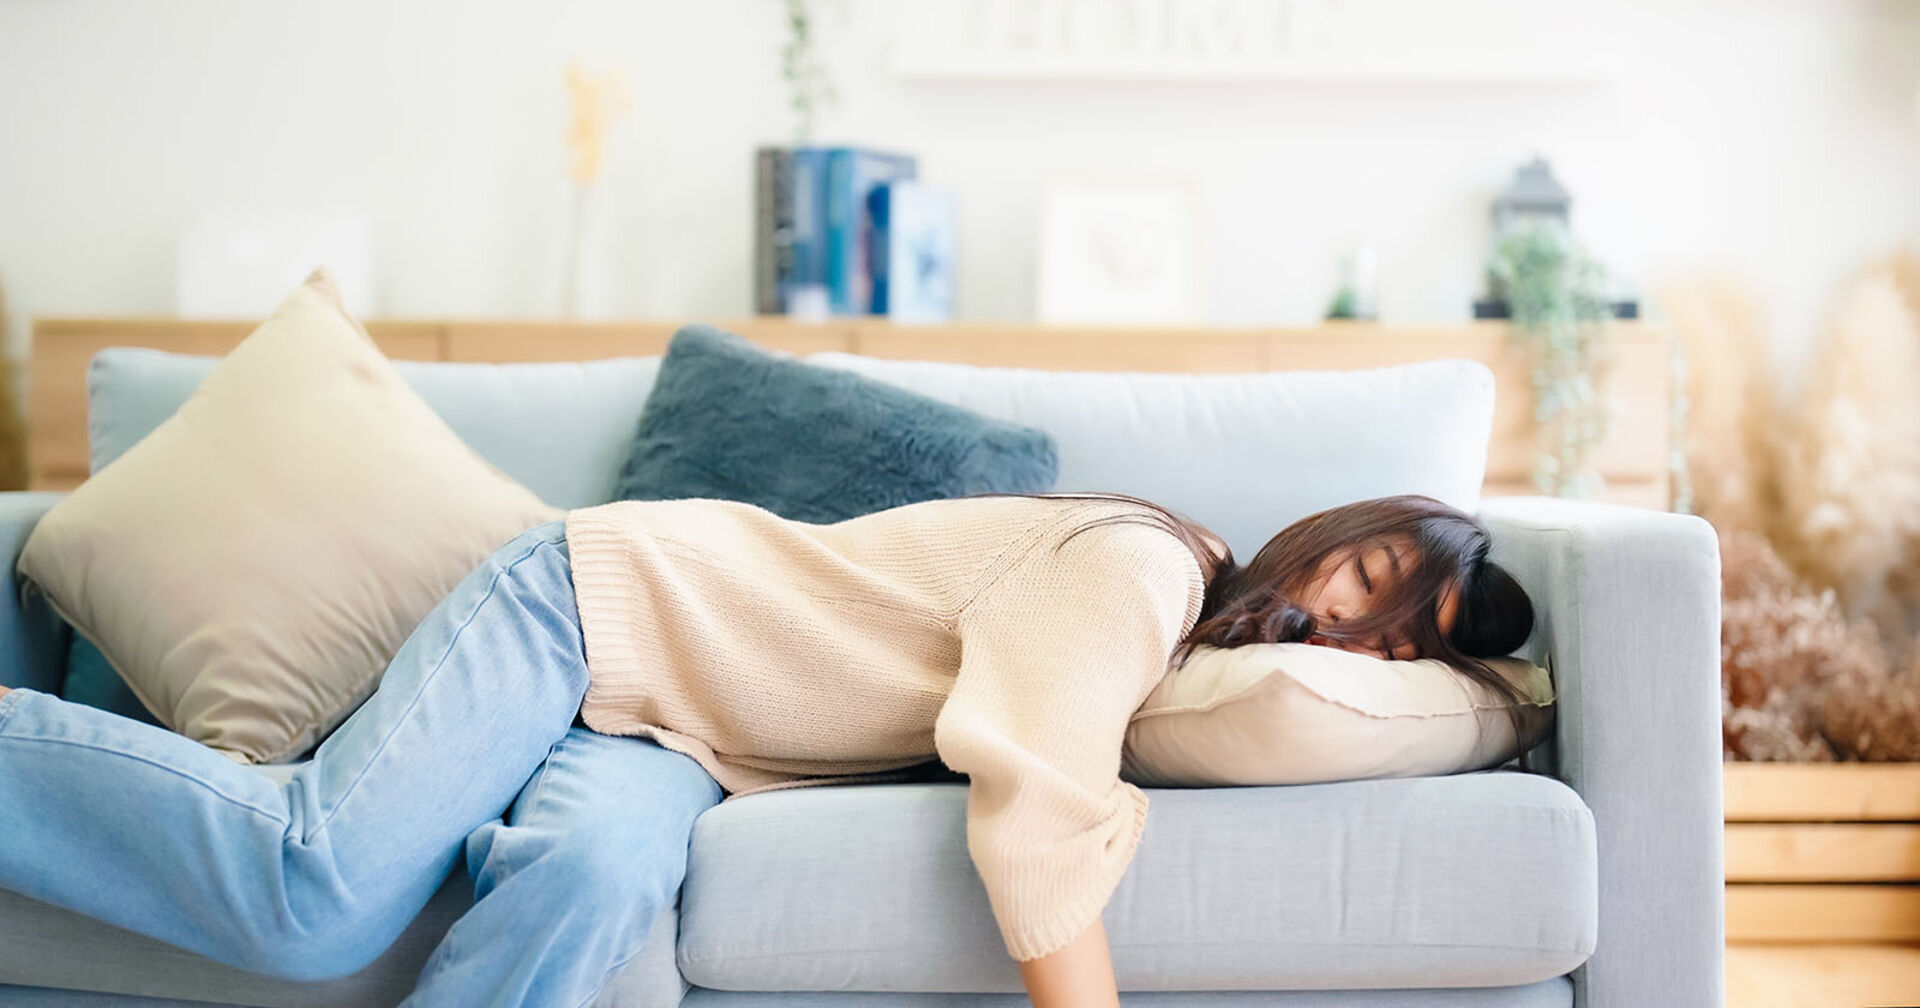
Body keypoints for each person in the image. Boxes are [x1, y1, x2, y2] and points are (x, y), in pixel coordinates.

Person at [0, 491, 1532, 1008]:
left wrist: (1507, 694)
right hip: (594, 615)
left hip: (687, 738)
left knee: (595, 890)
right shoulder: (1146, 567)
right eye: (1377, 579)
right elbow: (1039, 788)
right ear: (1336, 532)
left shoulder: (1197, 659)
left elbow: (1500, 689)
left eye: (1409, 641)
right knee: (316, 891)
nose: (1365, 633)